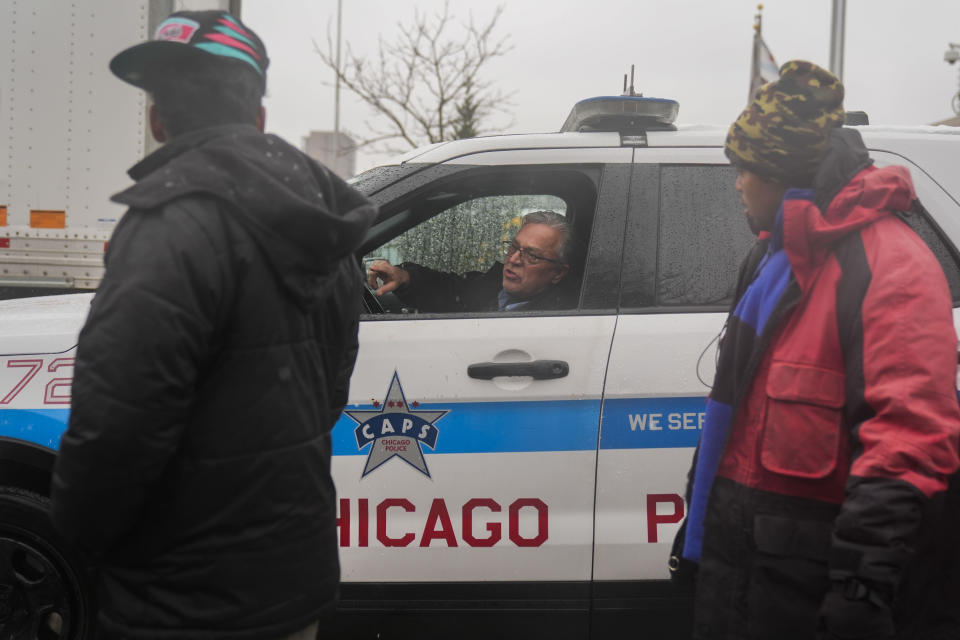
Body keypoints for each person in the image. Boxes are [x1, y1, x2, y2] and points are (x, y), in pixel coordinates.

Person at [49, 10, 375, 640]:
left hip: (181, 599)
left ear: (155, 120)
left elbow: (116, 426)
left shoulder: (167, 225)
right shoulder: (325, 224)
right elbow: (329, 389)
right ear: (257, 117)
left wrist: (78, 536)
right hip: (291, 577)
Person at [673, 60, 960, 640]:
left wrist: (862, 587)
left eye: (743, 169)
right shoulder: (769, 259)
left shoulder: (890, 265)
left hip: (818, 589)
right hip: (746, 575)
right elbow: (732, 429)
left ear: (779, 172)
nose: (736, 184)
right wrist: (697, 540)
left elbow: (909, 440)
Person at [366, 210, 574, 312]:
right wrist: (405, 277)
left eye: (532, 255)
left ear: (558, 273)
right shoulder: (492, 287)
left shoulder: (559, 317)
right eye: (513, 247)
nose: (514, 259)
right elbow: (450, 290)